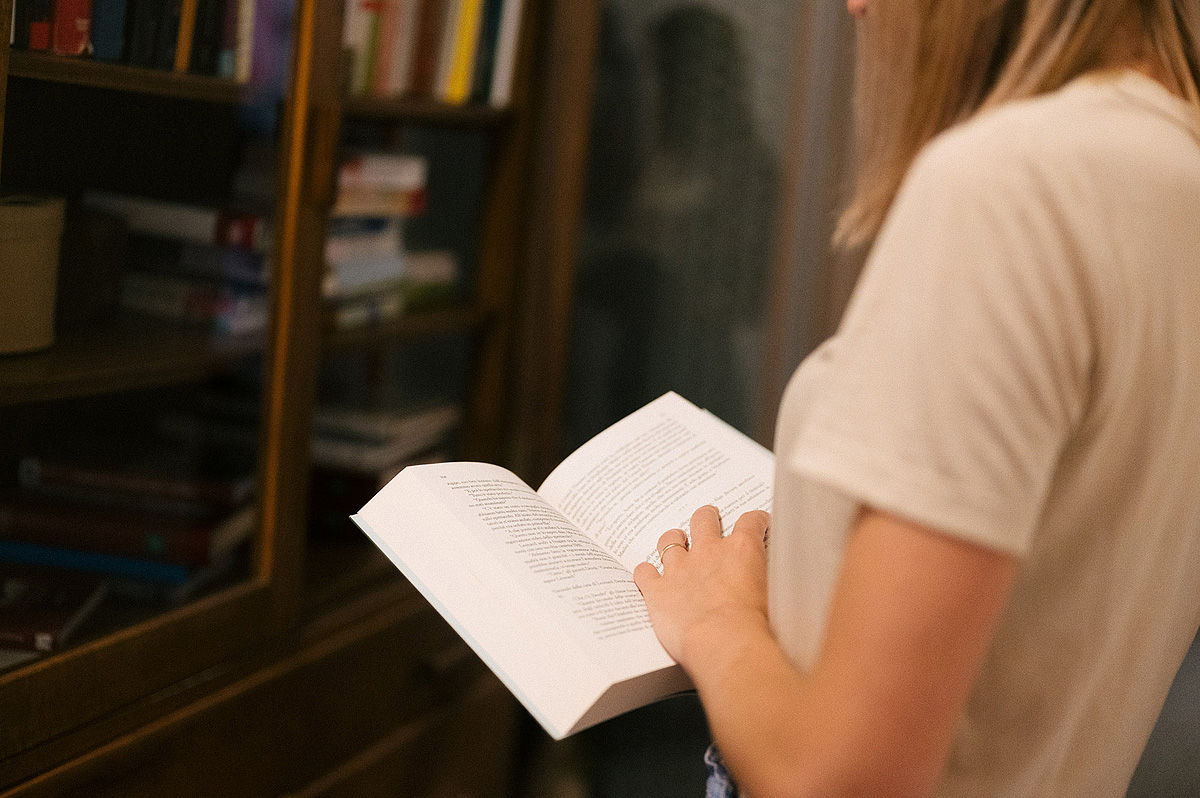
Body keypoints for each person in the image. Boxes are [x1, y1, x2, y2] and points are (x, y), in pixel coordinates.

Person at [632, 1, 1200, 796]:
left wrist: (717, 618)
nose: (854, 5)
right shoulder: (1173, 162)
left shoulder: (1010, 184)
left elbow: (843, 781)